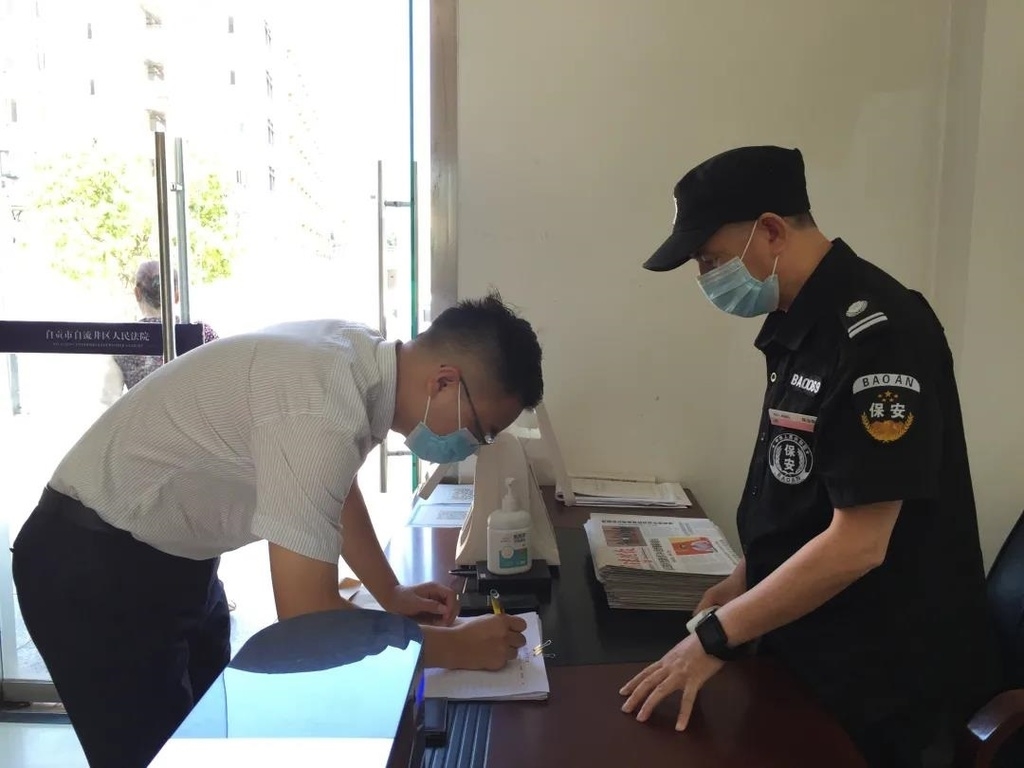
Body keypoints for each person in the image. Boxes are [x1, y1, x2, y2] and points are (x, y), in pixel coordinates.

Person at [12, 291, 541, 768]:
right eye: (481, 430)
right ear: (444, 382)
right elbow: (307, 618)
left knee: (209, 744)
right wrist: (455, 648)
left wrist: (391, 593)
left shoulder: (359, 358)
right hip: (92, 569)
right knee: (157, 756)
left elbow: (335, 488)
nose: (473, 446)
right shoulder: (322, 404)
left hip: (174, 561)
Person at [619, 146, 1000, 767]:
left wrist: (715, 638)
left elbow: (858, 544)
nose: (705, 277)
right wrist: (744, 580)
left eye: (710, 258)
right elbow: (802, 488)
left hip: (883, 678)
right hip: (814, 647)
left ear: (771, 231)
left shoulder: (878, 335)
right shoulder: (800, 324)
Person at [101, 260, 219, 406]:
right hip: (196, 418)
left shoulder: (123, 341)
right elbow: (222, 383)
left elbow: (109, 401)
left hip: (147, 419)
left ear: (137, 293)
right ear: (177, 295)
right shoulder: (202, 334)